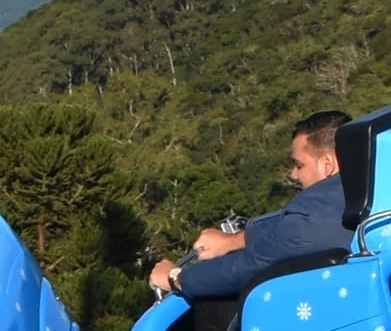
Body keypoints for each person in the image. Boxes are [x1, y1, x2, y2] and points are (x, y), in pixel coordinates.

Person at [150, 113, 354, 301]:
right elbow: (286, 228)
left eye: (299, 165)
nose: (293, 174)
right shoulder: (357, 194)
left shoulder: (310, 218)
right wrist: (232, 241)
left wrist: (176, 278)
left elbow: (247, 266)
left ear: (327, 164)